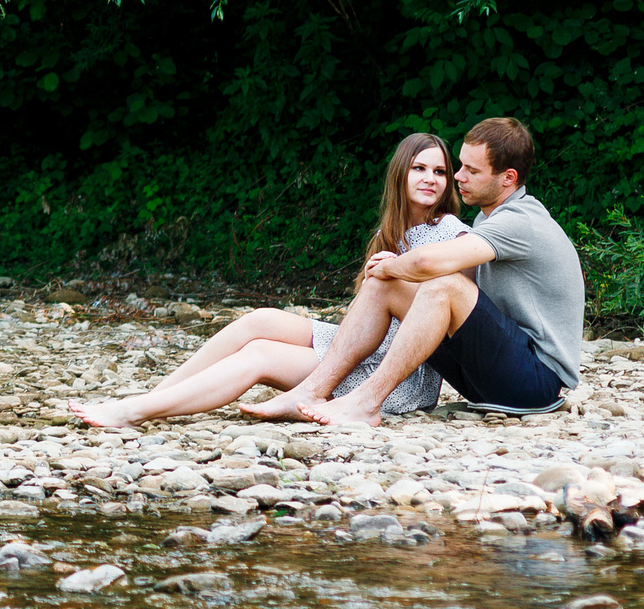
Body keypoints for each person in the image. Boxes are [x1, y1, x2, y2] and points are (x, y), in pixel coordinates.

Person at [68, 133, 471, 430]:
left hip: (395, 374)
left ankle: (134, 412)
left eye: (439, 171)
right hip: (358, 349)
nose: (430, 178)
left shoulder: (452, 234)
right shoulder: (393, 231)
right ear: (400, 173)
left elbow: (448, 312)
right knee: (259, 319)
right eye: (419, 168)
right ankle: (153, 397)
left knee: (260, 354)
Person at [246, 115, 584, 429]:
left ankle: (366, 402)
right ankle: (313, 390)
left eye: (472, 170)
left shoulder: (520, 221)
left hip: (535, 383)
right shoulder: (488, 218)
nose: (457, 176)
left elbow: (428, 264)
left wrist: (391, 263)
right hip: (493, 376)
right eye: (461, 165)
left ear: (508, 178)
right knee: (384, 284)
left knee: (444, 285)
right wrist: (387, 275)